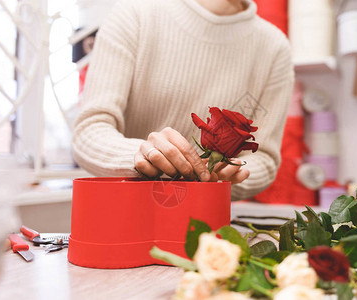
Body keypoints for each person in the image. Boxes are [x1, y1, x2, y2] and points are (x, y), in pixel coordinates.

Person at [72, 0, 295, 200]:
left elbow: (264, 158)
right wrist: (140, 154)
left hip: (203, 222)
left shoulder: (275, 48)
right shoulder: (135, 14)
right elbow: (89, 132)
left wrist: (230, 173)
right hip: (122, 213)